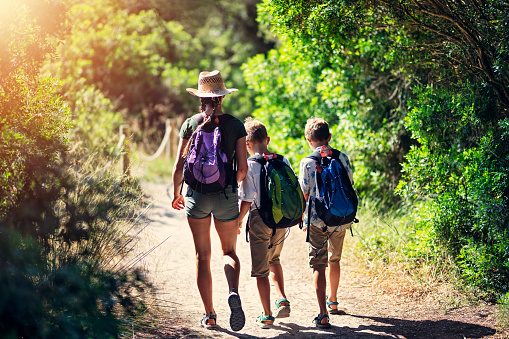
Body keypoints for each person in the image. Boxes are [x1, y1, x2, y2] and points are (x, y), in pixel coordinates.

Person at [171, 70, 248, 331]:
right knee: (229, 252)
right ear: (222, 97)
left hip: (196, 197)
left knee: (202, 257)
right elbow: (243, 170)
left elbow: (178, 165)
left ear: (200, 97)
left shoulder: (190, 123)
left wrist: (176, 193)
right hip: (225, 195)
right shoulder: (236, 125)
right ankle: (233, 291)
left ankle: (210, 315)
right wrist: (228, 187)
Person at [299, 117, 354, 328]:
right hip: (340, 218)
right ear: (329, 137)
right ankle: (333, 301)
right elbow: (349, 186)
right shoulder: (343, 158)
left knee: (318, 265)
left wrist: (302, 217)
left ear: (308, 139)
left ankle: (322, 314)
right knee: (335, 260)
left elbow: (304, 193)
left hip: (316, 221)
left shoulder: (308, 162)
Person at [238, 118, 292, 328]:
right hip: (281, 220)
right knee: (275, 259)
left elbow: (248, 197)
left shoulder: (249, 165)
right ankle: (282, 298)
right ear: (267, 140)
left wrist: (240, 220)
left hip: (260, 219)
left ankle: (267, 314)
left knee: (261, 270)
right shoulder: (282, 160)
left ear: (246, 144)